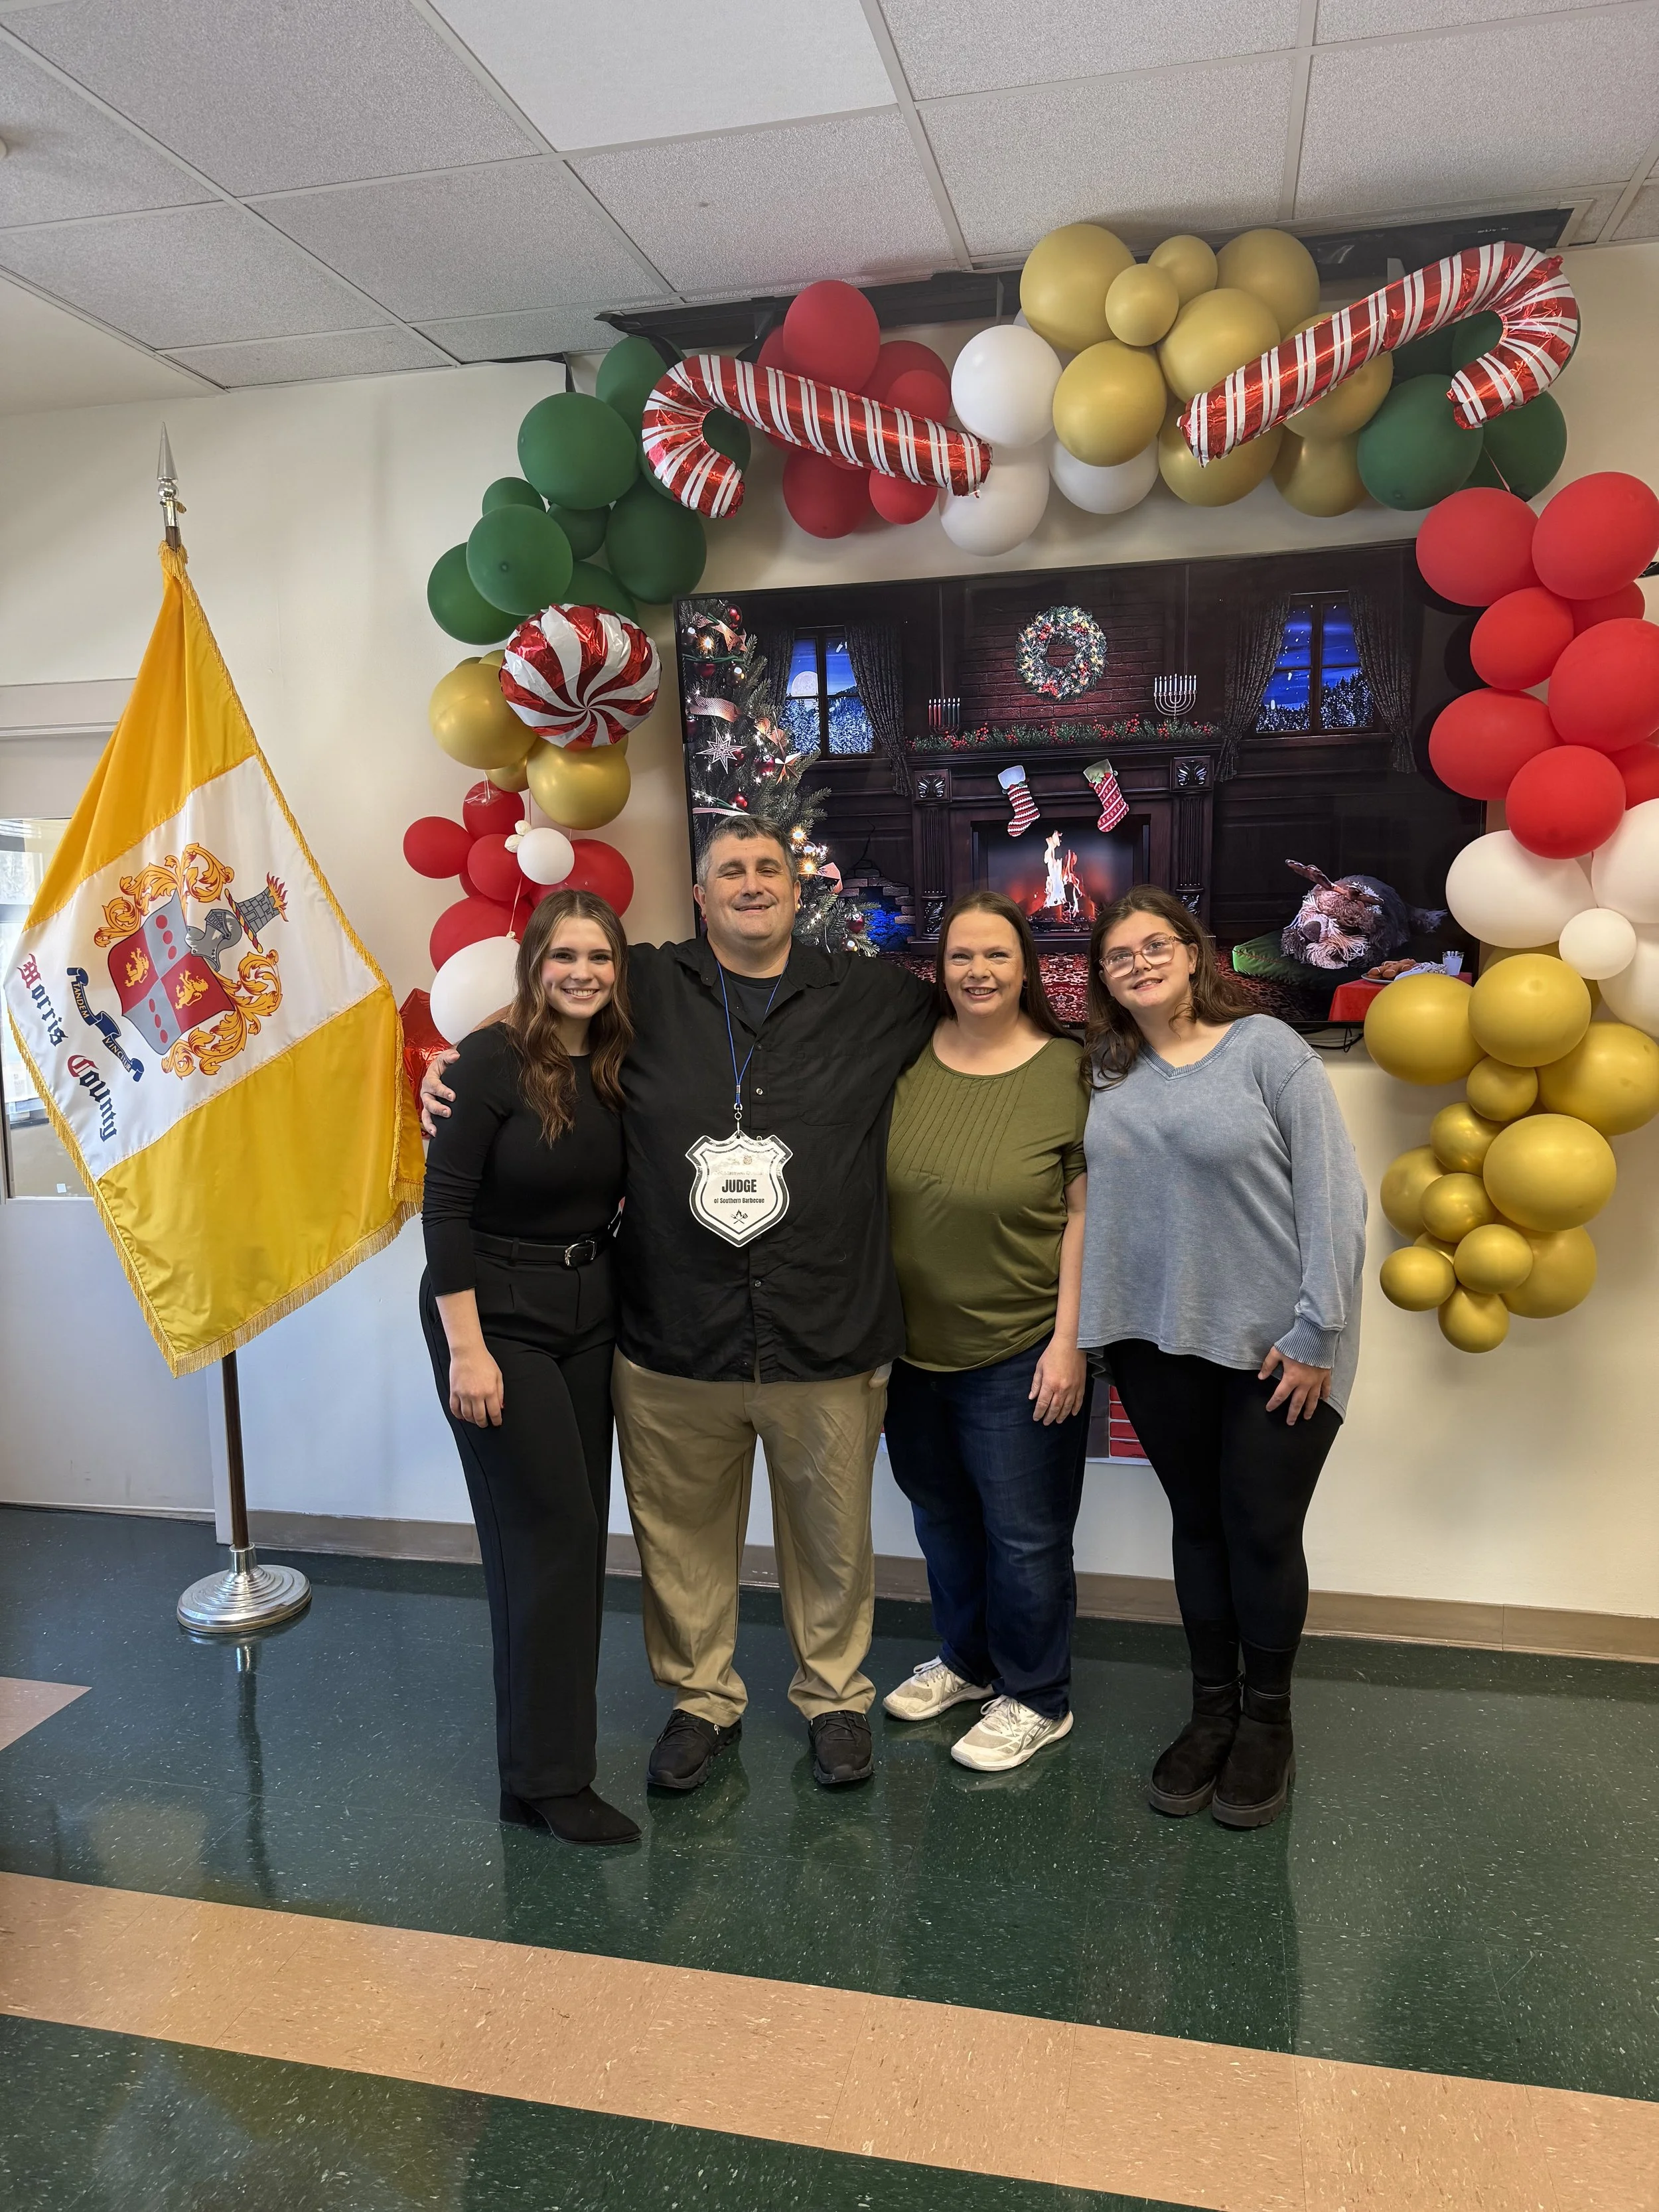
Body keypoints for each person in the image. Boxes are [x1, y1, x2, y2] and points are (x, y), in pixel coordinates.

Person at [424, 817, 936, 1794]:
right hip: (672, 1328)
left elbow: (988, 1014)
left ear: (798, 890)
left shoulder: (872, 996)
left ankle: (833, 1700)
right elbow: (545, 1001)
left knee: (831, 1539)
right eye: (728, 872)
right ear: (700, 898)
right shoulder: (647, 980)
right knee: (679, 1538)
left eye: (767, 869)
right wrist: (459, 1064)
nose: (750, 884)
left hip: (823, 1328)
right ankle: (702, 1700)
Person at [1076, 886, 1366, 1830]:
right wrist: (1096, 1330)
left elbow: (1334, 1198)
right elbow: (1098, 1210)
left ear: (1195, 952)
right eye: (1119, 957)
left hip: (1278, 1348)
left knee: (1261, 1530)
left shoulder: (1267, 1052)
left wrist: (1319, 1331)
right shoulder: (1108, 1073)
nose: (1140, 964)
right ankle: (1211, 1713)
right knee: (1198, 1524)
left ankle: (1269, 1723)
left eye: (1155, 945)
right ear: (1105, 981)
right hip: (1155, 1341)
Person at [419, 889, 636, 1846]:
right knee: (545, 1537)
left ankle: (530, 1769)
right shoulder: (488, 1061)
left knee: (573, 1538)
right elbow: (445, 1215)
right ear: (534, 966)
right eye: (564, 957)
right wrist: (466, 1351)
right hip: (493, 1319)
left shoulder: (622, 1062)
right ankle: (553, 1782)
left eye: (599, 957)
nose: (582, 973)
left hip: (589, 1310)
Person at [879, 892, 1092, 1773]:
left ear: (1026, 969)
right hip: (906, 1347)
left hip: (1022, 1348)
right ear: (940, 968)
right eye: (962, 956)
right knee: (942, 1520)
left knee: (1025, 1535)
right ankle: (968, 1663)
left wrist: (1069, 1343)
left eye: (997, 956)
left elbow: (1087, 1212)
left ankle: (1039, 1696)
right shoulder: (904, 1060)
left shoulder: (1070, 1069)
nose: (978, 972)